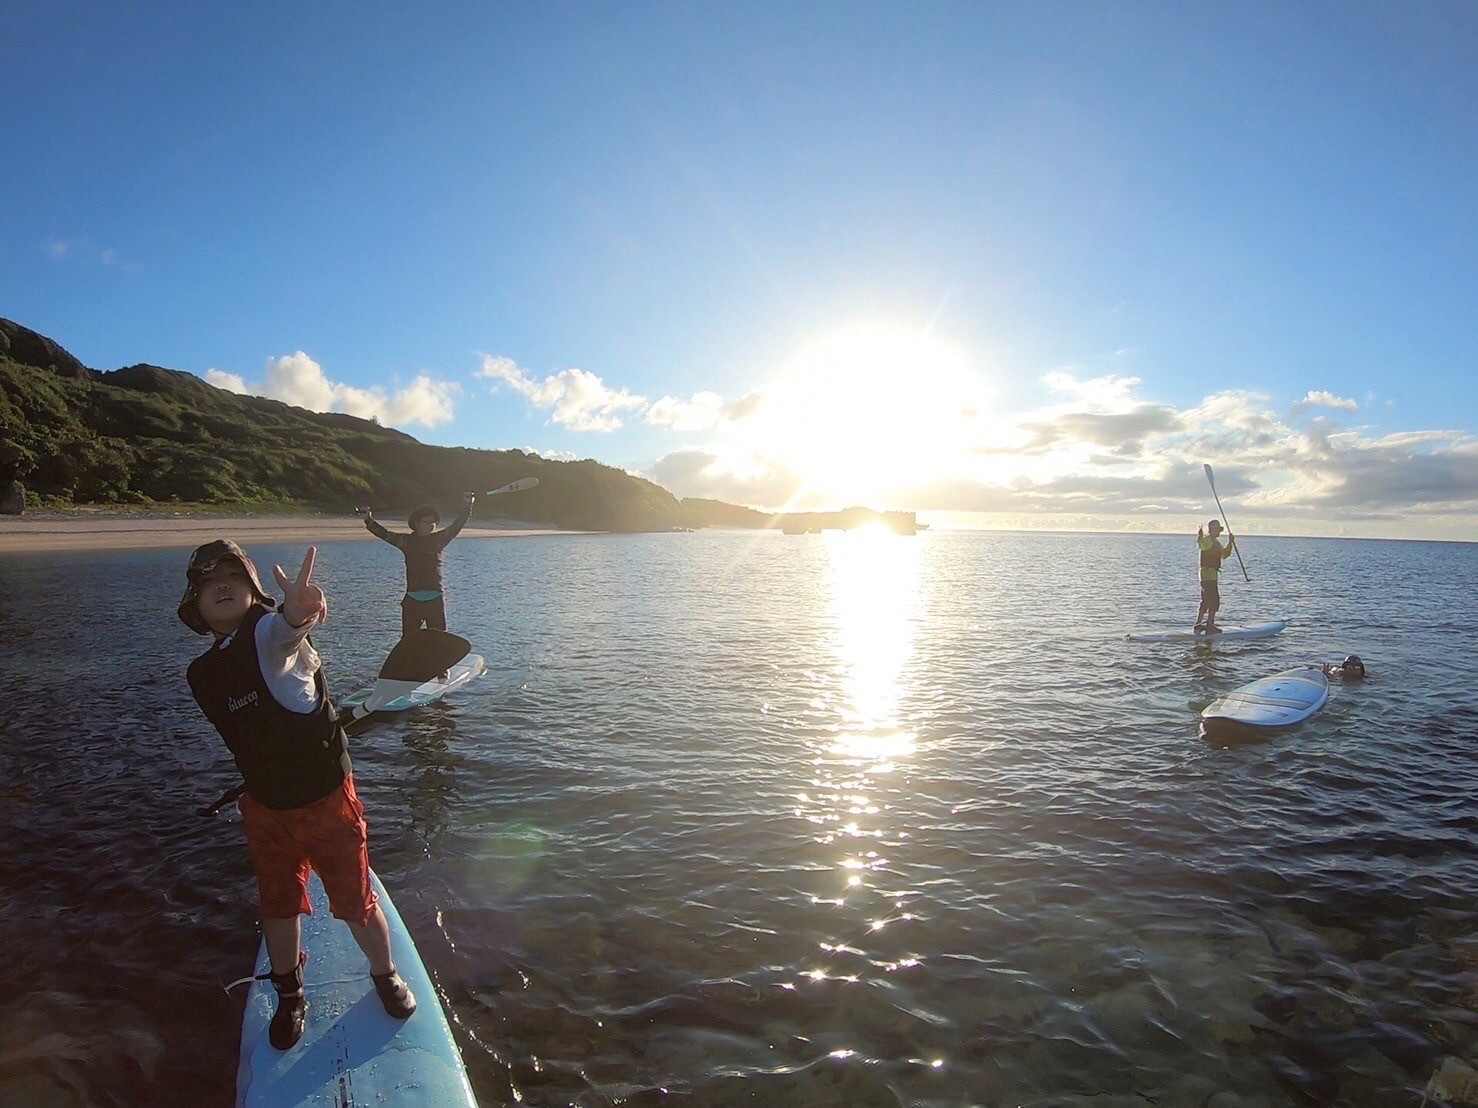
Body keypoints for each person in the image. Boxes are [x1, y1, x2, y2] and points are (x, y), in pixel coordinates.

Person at [178, 539, 416, 1051]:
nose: (222, 585)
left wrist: (299, 612)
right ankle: (290, 995)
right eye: (208, 582)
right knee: (277, 906)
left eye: (234, 577)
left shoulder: (268, 634)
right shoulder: (203, 674)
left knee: (353, 901)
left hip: (324, 800)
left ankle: (385, 974)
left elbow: (285, 631)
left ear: (252, 591)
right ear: (195, 604)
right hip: (265, 807)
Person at [361, 492, 476, 635]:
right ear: (416, 524)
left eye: (433, 523)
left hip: (434, 600)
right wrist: (368, 520)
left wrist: (468, 505)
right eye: (426, 522)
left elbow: (457, 525)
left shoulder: (439, 540)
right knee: (409, 640)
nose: (430, 525)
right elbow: (384, 534)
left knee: (439, 640)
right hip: (412, 600)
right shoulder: (406, 542)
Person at [1194, 519, 1236, 634]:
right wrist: (1200, 535)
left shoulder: (1215, 542)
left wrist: (1230, 543)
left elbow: (1224, 555)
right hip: (1207, 575)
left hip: (1211, 575)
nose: (1219, 532)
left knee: (1208, 600)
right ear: (1212, 529)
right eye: (1217, 529)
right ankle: (1208, 625)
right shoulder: (1207, 540)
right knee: (1212, 600)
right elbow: (1201, 545)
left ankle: (1200, 624)